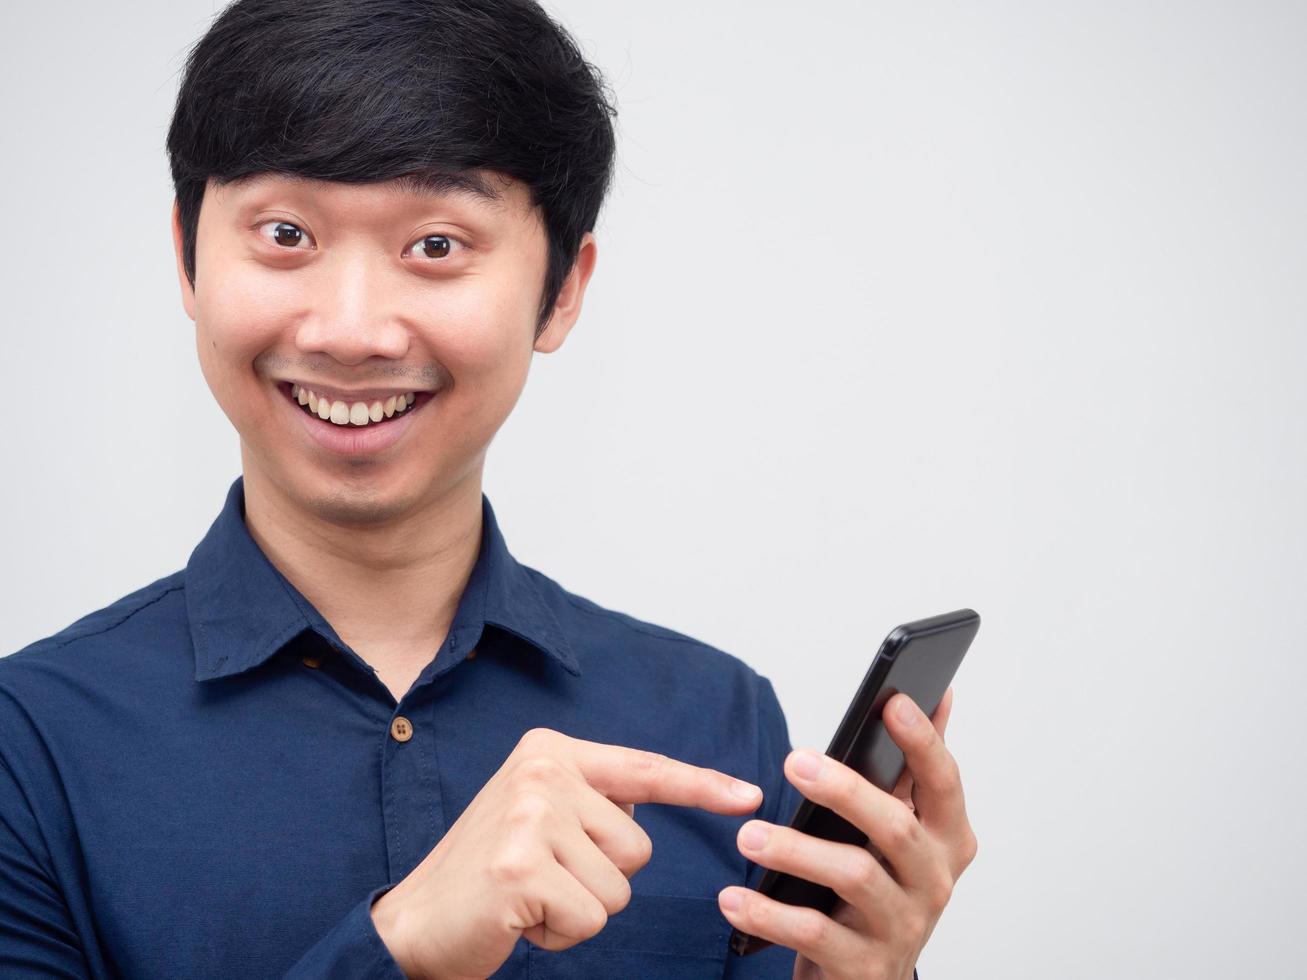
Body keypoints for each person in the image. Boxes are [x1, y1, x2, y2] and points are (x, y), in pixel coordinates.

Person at [0, 0, 977, 976]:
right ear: (186, 255)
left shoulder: (716, 723)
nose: (352, 330)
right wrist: (403, 943)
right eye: (286, 232)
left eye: (435, 245)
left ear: (561, 291)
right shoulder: (29, 745)